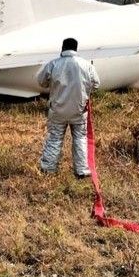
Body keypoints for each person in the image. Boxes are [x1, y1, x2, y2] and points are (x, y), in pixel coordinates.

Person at [37, 37, 100, 178]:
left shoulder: (53, 64)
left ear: (63, 48)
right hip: (79, 110)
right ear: (76, 49)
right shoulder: (86, 65)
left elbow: (41, 81)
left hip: (57, 110)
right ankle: (81, 170)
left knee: (55, 138)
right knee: (80, 138)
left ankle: (48, 169)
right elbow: (96, 84)